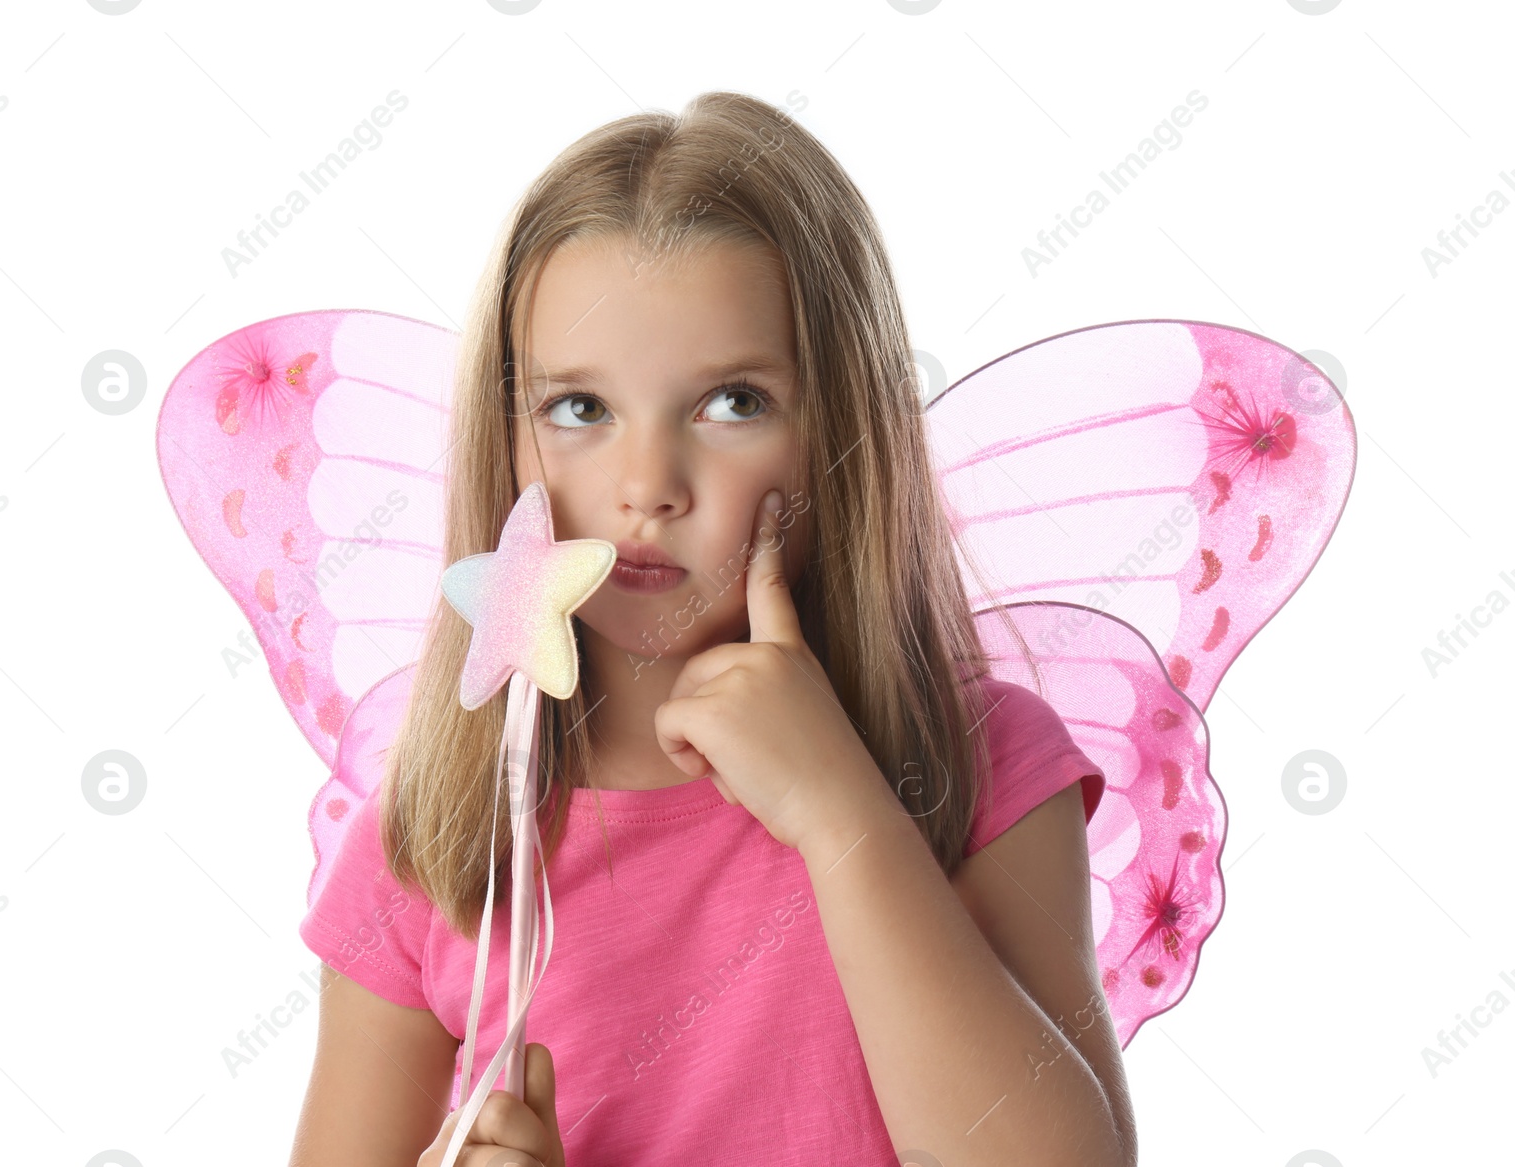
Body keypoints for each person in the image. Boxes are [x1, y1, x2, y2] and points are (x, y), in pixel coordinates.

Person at [289, 90, 1135, 1167]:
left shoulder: (976, 769)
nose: (647, 487)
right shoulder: (430, 849)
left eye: (732, 402)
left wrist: (840, 814)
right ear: (504, 442)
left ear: (842, 431)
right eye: (578, 409)